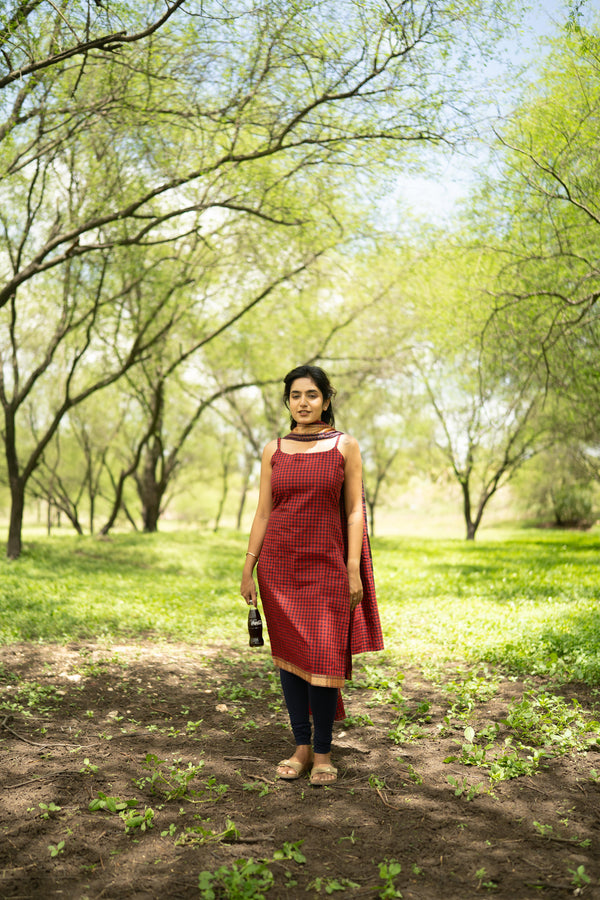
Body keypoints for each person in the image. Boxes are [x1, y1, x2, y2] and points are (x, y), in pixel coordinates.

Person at [240, 364, 383, 786]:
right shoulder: (274, 449)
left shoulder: (344, 446)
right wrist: (248, 567)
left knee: (323, 655)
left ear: (326, 400)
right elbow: (263, 512)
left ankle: (323, 752)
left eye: (312, 395)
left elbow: (354, 511)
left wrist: (353, 568)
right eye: (295, 395)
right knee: (290, 661)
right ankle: (301, 746)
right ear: (287, 401)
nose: (303, 403)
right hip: (279, 568)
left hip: (327, 567)